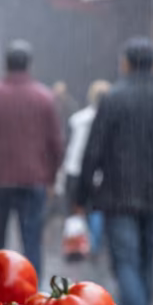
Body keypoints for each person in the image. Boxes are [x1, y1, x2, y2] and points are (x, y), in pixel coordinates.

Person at [77, 40, 153, 305]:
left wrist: (81, 195)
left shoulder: (113, 99)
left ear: (125, 63)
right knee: (146, 261)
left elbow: (93, 150)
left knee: (126, 262)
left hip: (118, 195)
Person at [0, 40, 64, 277]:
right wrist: (51, 176)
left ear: (5, 64)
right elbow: (56, 144)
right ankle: (31, 293)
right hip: (34, 179)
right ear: (30, 64)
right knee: (32, 240)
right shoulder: (44, 98)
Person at [62, 80, 112, 253]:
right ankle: (95, 244)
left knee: (76, 207)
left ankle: (76, 244)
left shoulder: (77, 119)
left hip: (74, 168)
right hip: (99, 172)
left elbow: (67, 145)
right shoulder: (111, 121)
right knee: (96, 209)